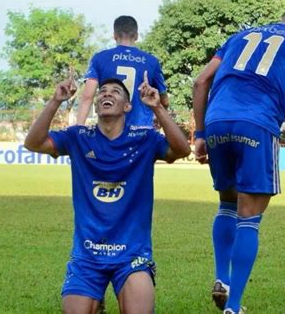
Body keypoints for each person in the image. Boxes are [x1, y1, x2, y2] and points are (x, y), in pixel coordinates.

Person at [193, 6, 285, 314]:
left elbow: (201, 82)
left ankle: (222, 278)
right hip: (256, 123)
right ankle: (234, 306)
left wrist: (200, 133)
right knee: (249, 217)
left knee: (227, 203)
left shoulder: (238, 36)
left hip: (217, 121)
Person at [24, 73, 190, 314]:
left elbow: (181, 149)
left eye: (115, 91)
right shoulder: (78, 137)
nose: (106, 94)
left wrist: (158, 109)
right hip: (87, 255)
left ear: (127, 106)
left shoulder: (144, 139)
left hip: (131, 255)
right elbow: (33, 143)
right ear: (96, 103)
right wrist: (55, 101)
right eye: (102, 91)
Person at [77, 15, 169, 126]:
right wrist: (160, 116)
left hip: (109, 131)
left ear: (115, 36)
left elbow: (87, 97)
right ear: (136, 36)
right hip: (141, 132)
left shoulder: (99, 58)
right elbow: (164, 100)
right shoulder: (152, 61)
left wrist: (77, 129)